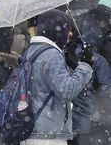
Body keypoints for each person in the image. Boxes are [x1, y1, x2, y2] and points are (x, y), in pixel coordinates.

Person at [24, 9, 94, 144]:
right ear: (56, 30)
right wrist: (85, 65)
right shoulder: (52, 55)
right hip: (49, 135)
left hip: (32, 129)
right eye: (67, 28)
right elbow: (67, 91)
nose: (70, 33)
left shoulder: (31, 51)